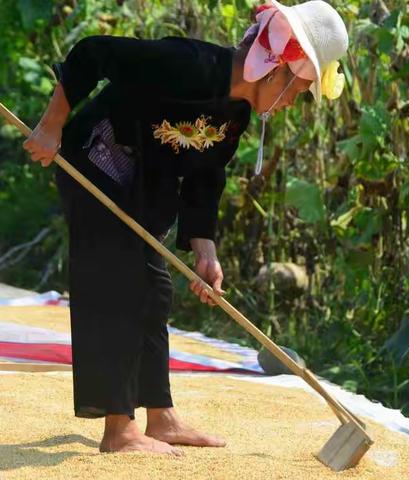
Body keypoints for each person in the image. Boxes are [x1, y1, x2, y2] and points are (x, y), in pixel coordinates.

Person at [22, 0, 348, 456]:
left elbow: (205, 174)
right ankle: (119, 428)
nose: (293, 101)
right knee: (118, 280)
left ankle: (161, 416)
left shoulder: (236, 113)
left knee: (155, 289)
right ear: (276, 70)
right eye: (298, 89)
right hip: (95, 160)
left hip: (145, 183)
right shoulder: (191, 63)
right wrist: (51, 125)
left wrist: (204, 249)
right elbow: (91, 53)